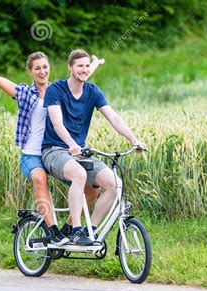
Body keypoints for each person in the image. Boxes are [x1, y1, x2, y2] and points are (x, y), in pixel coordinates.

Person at [0, 49, 104, 245]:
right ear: (31, 71)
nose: (42, 71)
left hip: (57, 152)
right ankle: (53, 230)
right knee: (39, 178)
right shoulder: (24, 92)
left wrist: (95, 63)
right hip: (32, 155)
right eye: (37, 68)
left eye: (45, 67)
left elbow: (81, 75)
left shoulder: (59, 90)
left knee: (92, 188)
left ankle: (69, 228)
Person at [42, 49, 146, 246]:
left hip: (80, 151)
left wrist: (134, 140)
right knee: (79, 175)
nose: (84, 69)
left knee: (115, 185)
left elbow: (113, 117)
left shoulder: (93, 92)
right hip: (54, 149)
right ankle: (75, 230)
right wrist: (71, 144)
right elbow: (57, 123)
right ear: (70, 68)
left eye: (87, 66)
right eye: (80, 65)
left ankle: (91, 231)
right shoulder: (55, 89)